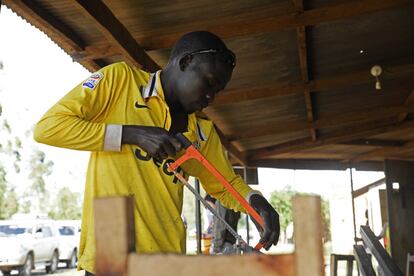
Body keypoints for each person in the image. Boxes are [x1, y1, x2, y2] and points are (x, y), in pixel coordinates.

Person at [34, 31, 280, 274]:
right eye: (208, 83)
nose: (210, 97)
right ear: (186, 62)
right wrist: (132, 134)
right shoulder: (121, 82)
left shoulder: (202, 130)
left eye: (217, 91)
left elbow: (225, 185)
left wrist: (254, 201)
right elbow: (49, 127)